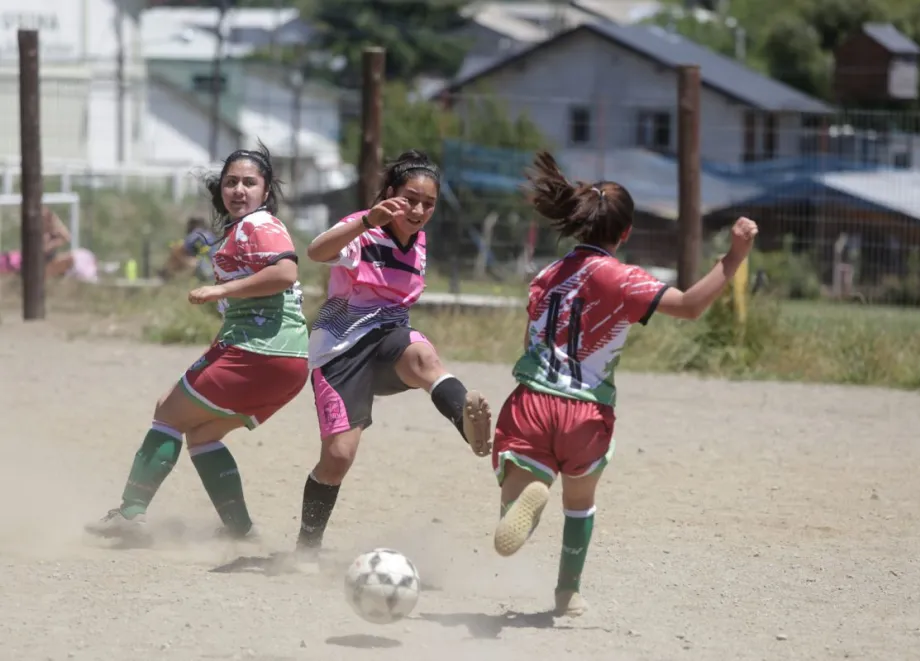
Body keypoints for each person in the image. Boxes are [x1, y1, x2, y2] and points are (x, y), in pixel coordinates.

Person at [491, 151, 758, 617]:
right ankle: (567, 594)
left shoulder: (547, 276)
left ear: (578, 223)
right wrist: (733, 258)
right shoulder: (623, 279)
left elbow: (529, 338)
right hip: (584, 410)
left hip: (531, 399)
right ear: (626, 232)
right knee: (580, 502)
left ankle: (522, 503)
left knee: (517, 492)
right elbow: (691, 305)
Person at [85, 144, 311, 541]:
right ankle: (240, 530)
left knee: (168, 413)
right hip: (288, 360)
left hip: (260, 351)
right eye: (231, 182)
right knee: (203, 434)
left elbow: (286, 273)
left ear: (266, 189)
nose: (239, 189)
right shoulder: (238, 230)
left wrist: (218, 291)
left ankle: (129, 513)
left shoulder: (261, 224)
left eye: (249, 182)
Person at [292, 149, 493, 564]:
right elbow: (315, 252)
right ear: (389, 194)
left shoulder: (419, 241)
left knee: (424, 359)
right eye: (411, 198)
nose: (419, 209)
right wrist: (366, 220)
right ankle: (306, 549)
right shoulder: (364, 229)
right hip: (340, 350)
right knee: (338, 458)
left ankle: (468, 424)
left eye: (429, 203)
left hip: (389, 341)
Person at [160, 216, 218, 282]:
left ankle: (166, 273)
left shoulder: (194, 235)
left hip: (204, 269)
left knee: (176, 249)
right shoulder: (210, 234)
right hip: (217, 270)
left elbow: (182, 250)